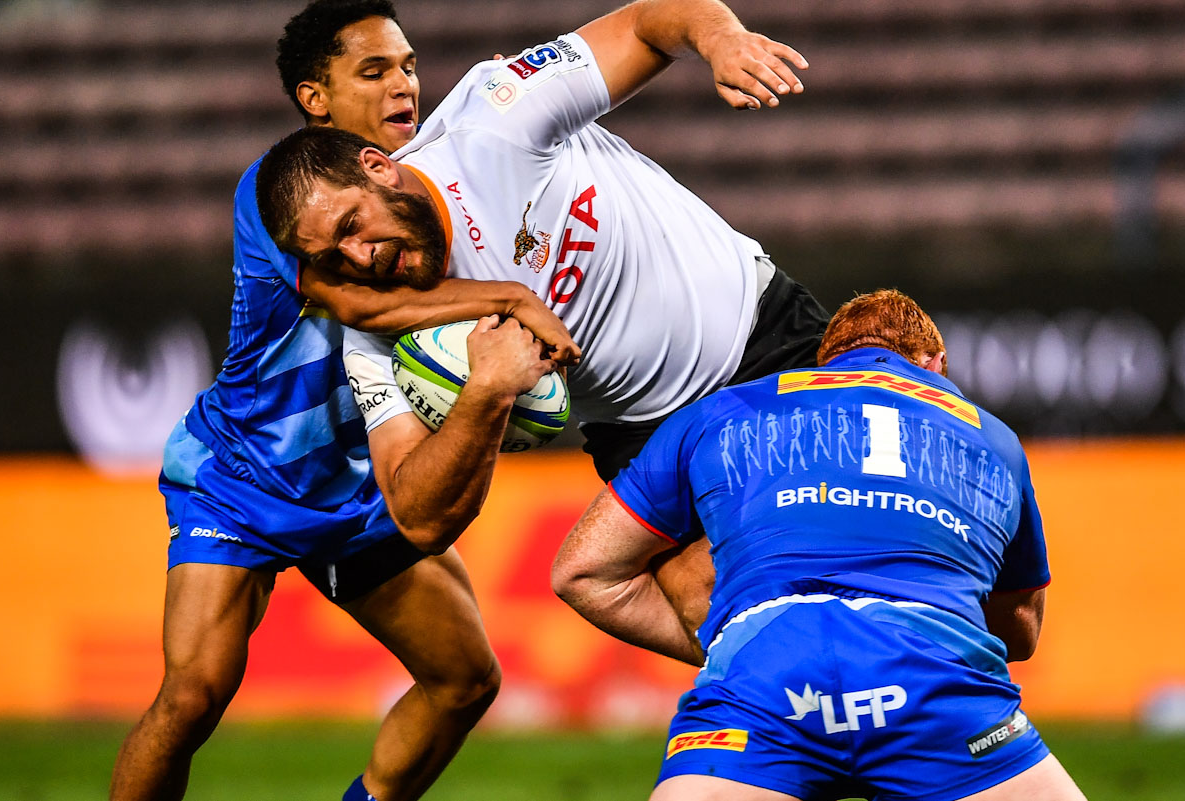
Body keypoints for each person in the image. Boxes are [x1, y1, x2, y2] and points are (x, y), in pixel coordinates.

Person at [109, 3, 570, 800]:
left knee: (464, 679)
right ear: (316, 98)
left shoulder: (423, 177)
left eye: (410, 66)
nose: (404, 85)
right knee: (192, 696)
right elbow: (361, 305)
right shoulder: (280, 189)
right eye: (374, 70)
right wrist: (510, 297)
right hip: (244, 475)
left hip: (355, 488)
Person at [255, 0, 833, 633]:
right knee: (707, 603)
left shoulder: (494, 117)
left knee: (885, 543)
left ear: (377, 169)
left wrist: (723, 41)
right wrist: (485, 392)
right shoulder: (370, 322)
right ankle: (801, 707)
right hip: (641, 433)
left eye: (352, 225)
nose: (360, 255)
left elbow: (649, 19)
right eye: (332, 252)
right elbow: (418, 518)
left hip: (763, 337)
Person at [550, 289, 1087, 801]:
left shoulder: (716, 413)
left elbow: (582, 572)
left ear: (821, 363)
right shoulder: (994, 438)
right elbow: (1019, 629)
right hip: (934, 685)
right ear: (937, 365)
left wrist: (729, 648)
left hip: (765, 680)